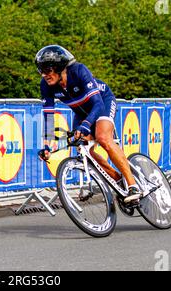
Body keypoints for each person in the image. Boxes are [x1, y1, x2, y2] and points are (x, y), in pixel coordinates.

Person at [36, 45, 142, 204]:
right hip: (81, 112)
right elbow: (48, 116)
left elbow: (98, 104)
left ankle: (133, 185)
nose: (44, 75)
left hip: (102, 102)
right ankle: (118, 180)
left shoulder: (78, 71)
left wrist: (85, 125)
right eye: (41, 71)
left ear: (59, 68)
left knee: (103, 137)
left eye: (47, 70)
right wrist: (46, 145)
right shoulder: (46, 85)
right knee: (84, 149)